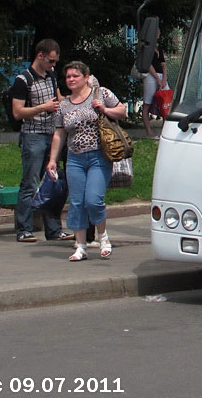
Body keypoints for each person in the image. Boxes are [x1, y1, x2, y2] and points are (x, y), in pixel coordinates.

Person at [46, 61, 126, 261]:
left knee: (93, 200)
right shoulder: (63, 105)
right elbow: (59, 134)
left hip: (99, 155)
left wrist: (104, 110)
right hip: (75, 158)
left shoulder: (101, 94)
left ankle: (103, 237)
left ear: (85, 77)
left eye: (75, 76)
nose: (71, 80)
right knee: (77, 202)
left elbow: (122, 111)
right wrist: (52, 160)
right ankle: (80, 246)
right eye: (68, 77)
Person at [12, 39, 73, 243]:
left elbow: (58, 99)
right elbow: (17, 112)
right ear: (40, 56)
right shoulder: (23, 80)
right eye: (51, 61)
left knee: (53, 182)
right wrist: (42, 108)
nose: (53, 65)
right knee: (30, 182)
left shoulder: (52, 76)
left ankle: (54, 229)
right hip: (33, 135)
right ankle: (24, 228)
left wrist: (76, 99)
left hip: (52, 134)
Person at [142, 30, 166, 139]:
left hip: (161, 75)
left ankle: (165, 130)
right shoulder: (146, 47)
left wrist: (164, 79)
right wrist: (157, 78)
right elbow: (148, 64)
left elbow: (163, 64)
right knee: (147, 103)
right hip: (151, 76)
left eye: (159, 32)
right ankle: (149, 132)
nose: (158, 33)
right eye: (156, 31)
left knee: (166, 101)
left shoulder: (158, 47)